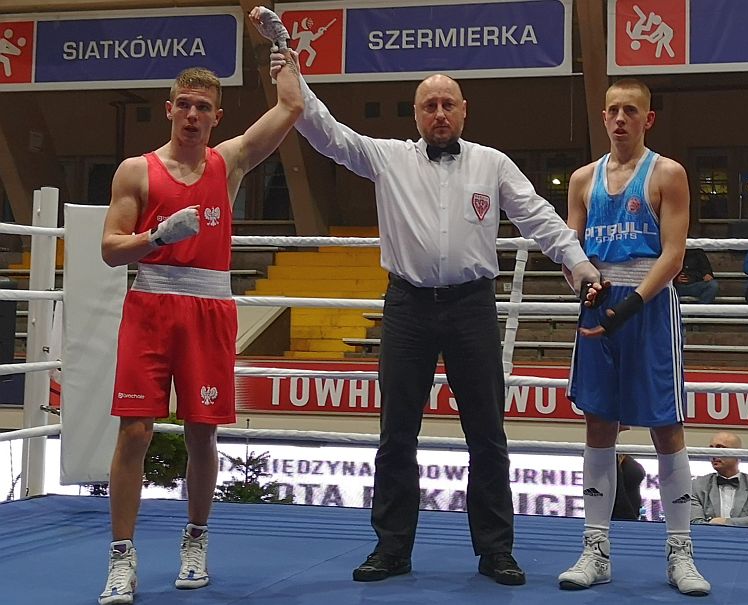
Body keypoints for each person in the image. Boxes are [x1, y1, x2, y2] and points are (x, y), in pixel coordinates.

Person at [265, 52, 600, 587]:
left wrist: (579, 265)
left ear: (464, 111)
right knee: (396, 434)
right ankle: (391, 548)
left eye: (447, 104)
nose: (439, 113)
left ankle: (495, 552)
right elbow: (324, 131)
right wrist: (288, 71)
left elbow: (537, 215)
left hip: (472, 306)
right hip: (408, 307)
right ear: (415, 115)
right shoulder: (387, 158)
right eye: (429, 106)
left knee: (487, 435)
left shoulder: (491, 163)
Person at [97, 23, 303, 605]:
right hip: (151, 301)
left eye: (203, 108)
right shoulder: (136, 171)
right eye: (184, 105)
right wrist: (155, 236)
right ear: (169, 109)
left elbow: (290, 106)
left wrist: (280, 49)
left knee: (201, 431)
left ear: (216, 117)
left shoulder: (228, 163)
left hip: (209, 304)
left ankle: (196, 541)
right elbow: (110, 249)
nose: (192, 115)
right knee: (135, 429)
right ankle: (121, 557)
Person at [558, 78, 711, 596]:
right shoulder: (582, 179)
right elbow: (570, 251)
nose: (620, 118)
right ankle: (595, 548)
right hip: (600, 307)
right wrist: (584, 282)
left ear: (648, 119)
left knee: (666, 426)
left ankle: (680, 552)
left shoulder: (667, 173)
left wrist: (631, 303)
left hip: (648, 309)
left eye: (631, 110)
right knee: (599, 424)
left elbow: (674, 253)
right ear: (602, 118)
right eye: (613, 110)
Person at [690, 431, 748, 528]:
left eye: (720, 448)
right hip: (708, 541)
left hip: (745, 541)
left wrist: (722, 521)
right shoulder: (696, 485)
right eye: (711, 449)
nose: (713, 454)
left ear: (738, 453)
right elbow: (695, 523)